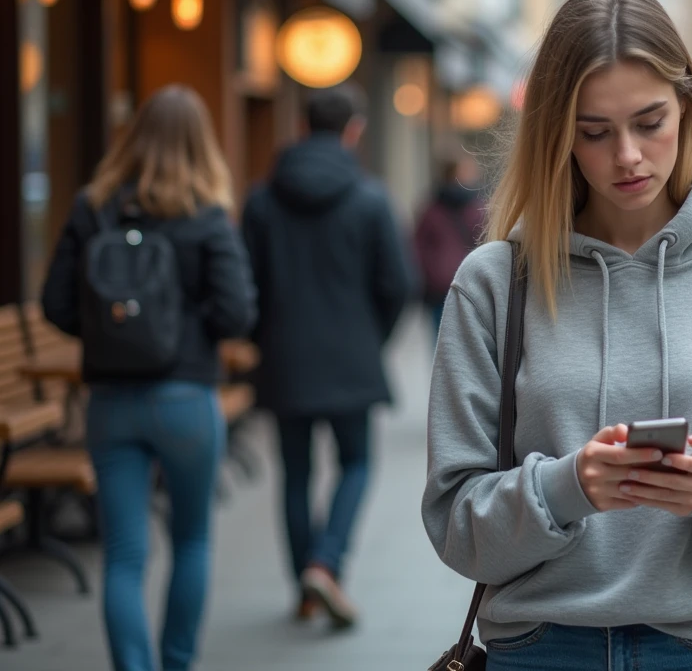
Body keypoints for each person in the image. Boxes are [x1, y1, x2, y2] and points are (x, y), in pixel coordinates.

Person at [422, 0, 692, 668]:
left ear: (688, 106)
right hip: (539, 652)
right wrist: (570, 488)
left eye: (649, 121)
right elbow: (454, 524)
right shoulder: (494, 283)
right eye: (594, 132)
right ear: (559, 136)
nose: (627, 156)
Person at [41, 85, 257, 671]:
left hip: (111, 401)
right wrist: (190, 330)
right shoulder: (207, 213)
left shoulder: (93, 207)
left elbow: (55, 303)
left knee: (124, 556)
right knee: (191, 541)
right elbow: (238, 312)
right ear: (201, 144)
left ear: (132, 137)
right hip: (188, 399)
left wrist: (112, 334)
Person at [241, 83, 417, 629]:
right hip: (350, 357)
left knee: (294, 474)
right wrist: (372, 337)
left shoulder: (262, 201)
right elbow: (400, 283)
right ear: (354, 130)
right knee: (357, 463)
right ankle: (327, 562)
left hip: (285, 357)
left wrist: (263, 337)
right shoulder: (369, 198)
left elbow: (244, 285)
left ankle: (307, 585)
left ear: (301, 128)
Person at [414, 152, 486, 337]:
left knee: (442, 344)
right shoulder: (477, 209)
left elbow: (418, 249)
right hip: (466, 288)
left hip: (441, 289)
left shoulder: (430, 209)